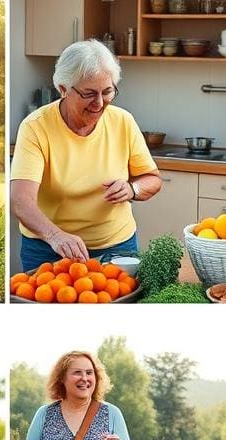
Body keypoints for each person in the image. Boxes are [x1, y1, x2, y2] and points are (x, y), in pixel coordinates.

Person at [10, 39, 163, 272]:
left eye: (108, 91)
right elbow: (20, 200)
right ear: (63, 89)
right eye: (89, 93)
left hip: (116, 248)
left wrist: (133, 189)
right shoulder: (36, 127)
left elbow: (152, 178)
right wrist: (56, 236)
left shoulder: (123, 121)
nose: (100, 103)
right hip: (49, 248)